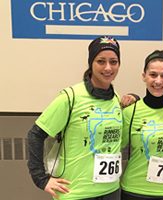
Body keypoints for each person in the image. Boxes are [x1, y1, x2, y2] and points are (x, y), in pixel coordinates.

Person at [27, 36, 136, 200]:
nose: (108, 68)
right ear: (91, 63)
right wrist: (41, 179)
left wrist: (135, 98)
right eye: (101, 61)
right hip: (76, 193)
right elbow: (35, 135)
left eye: (113, 62)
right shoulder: (70, 97)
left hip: (111, 191)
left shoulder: (116, 99)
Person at [121, 50, 163, 200]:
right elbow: (113, 149)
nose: (158, 81)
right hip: (135, 190)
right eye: (153, 75)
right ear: (143, 76)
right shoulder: (129, 113)